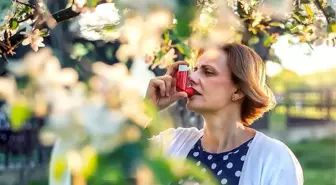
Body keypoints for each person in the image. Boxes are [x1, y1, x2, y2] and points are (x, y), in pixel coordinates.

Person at [146, 43, 303, 185]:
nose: (191, 78)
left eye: (208, 72)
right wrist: (147, 108)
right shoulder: (171, 143)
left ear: (238, 90)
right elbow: (123, 159)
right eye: (194, 70)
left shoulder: (274, 158)